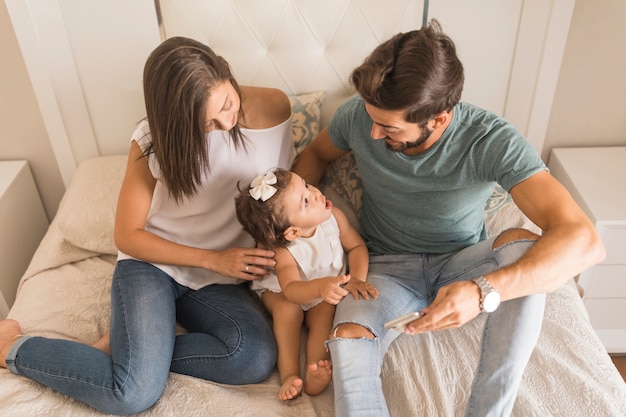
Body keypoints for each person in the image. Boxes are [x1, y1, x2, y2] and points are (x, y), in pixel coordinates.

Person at [293, 20, 605, 417]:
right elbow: (317, 156)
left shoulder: (490, 139)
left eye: (388, 126)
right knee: (348, 341)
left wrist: (482, 292)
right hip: (383, 268)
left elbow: (586, 241)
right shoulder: (357, 117)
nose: (371, 134)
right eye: (371, 118)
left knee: (522, 242)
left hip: (463, 263)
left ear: (438, 119)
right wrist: (289, 221)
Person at [0, 36, 295, 415]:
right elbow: (128, 235)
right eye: (206, 122)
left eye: (226, 105)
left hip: (216, 281)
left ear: (227, 74)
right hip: (152, 265)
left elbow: (289, 182)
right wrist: (213, 259)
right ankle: (12, 347)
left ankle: (137, 352)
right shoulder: (153, 140)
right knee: (131, 394)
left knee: (251, 357)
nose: (224, 122)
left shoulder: (274, 108)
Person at [235, 168, 378, 400]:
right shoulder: (283, 252)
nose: (316, 193)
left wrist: (357, 279)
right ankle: (290, 374)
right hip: (283, 291)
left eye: (307, 185)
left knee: (324, 315)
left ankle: (316, 368)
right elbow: (291, 290)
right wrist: (320, 287)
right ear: (293, 232)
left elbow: (357, 247)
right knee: (287, 312)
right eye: (305, 200)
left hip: (324, 288)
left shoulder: (334, 218)